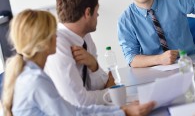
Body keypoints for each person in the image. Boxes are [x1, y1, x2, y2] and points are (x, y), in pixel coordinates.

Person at [1, 9, 155, 116]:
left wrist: (122, 110)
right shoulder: (35, 80)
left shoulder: (31, 73)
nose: (57, 36)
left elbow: (74, 110)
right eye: (53, 32)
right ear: (43, 41)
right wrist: (123, 112)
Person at [44, 0, 114, 106]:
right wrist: (111, 93)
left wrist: (94, 65)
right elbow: (77, 102)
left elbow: (97, 87)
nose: (97, 14)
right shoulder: (57, 44)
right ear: (87, 13)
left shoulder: (85, 36)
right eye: (96, 10)